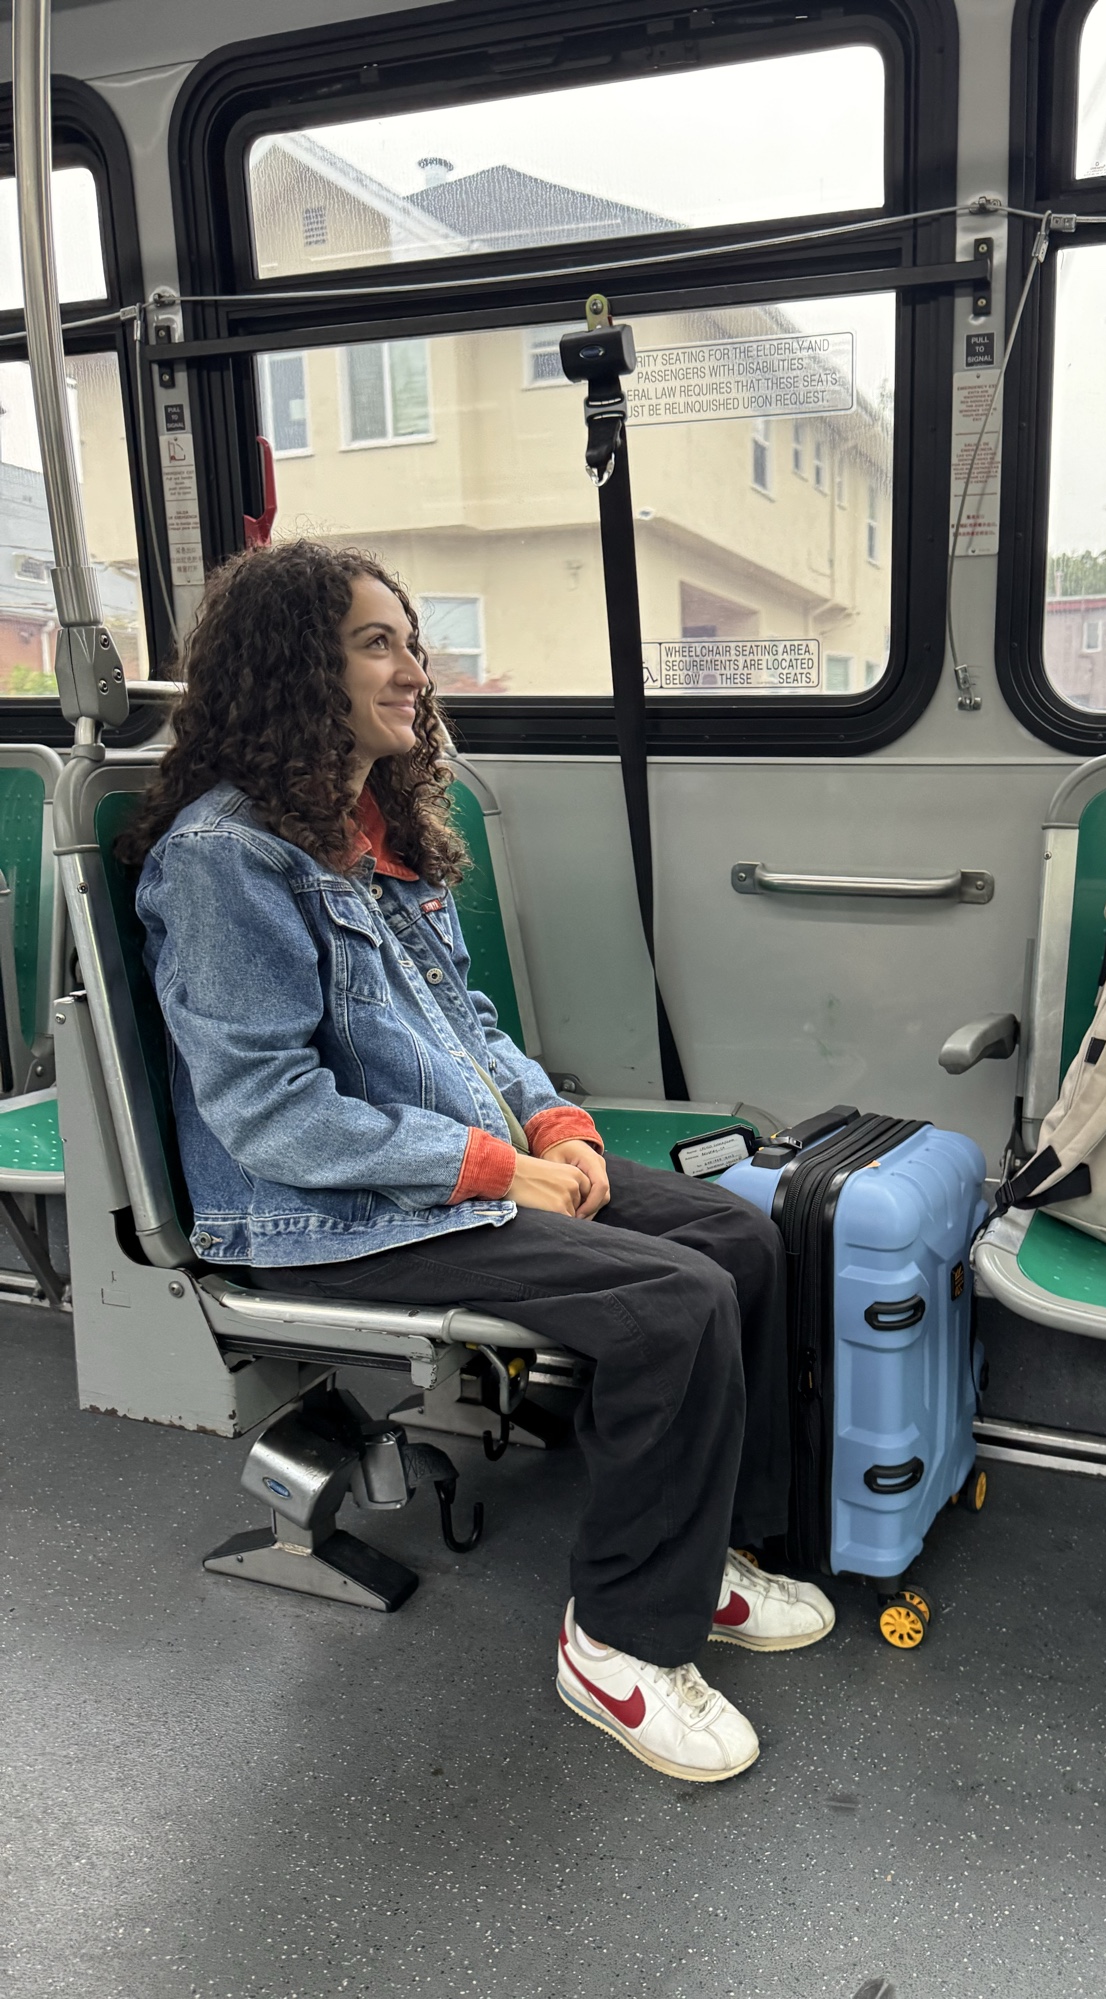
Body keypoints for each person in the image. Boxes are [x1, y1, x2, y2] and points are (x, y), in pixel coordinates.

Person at [123, 539, 833, 1784]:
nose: (415, 669)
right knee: (670, 1303)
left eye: (412, 642)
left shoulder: (367, 829)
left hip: (440, 1172)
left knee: (735, 1235)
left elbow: (472, 1028)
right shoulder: (226, 858)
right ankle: (618, 1641)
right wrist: (495, 1171)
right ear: (294, 670)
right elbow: (272, 1116)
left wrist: (553, 1126)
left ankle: (701, 1551)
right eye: (376, 645)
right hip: (318, 1215)